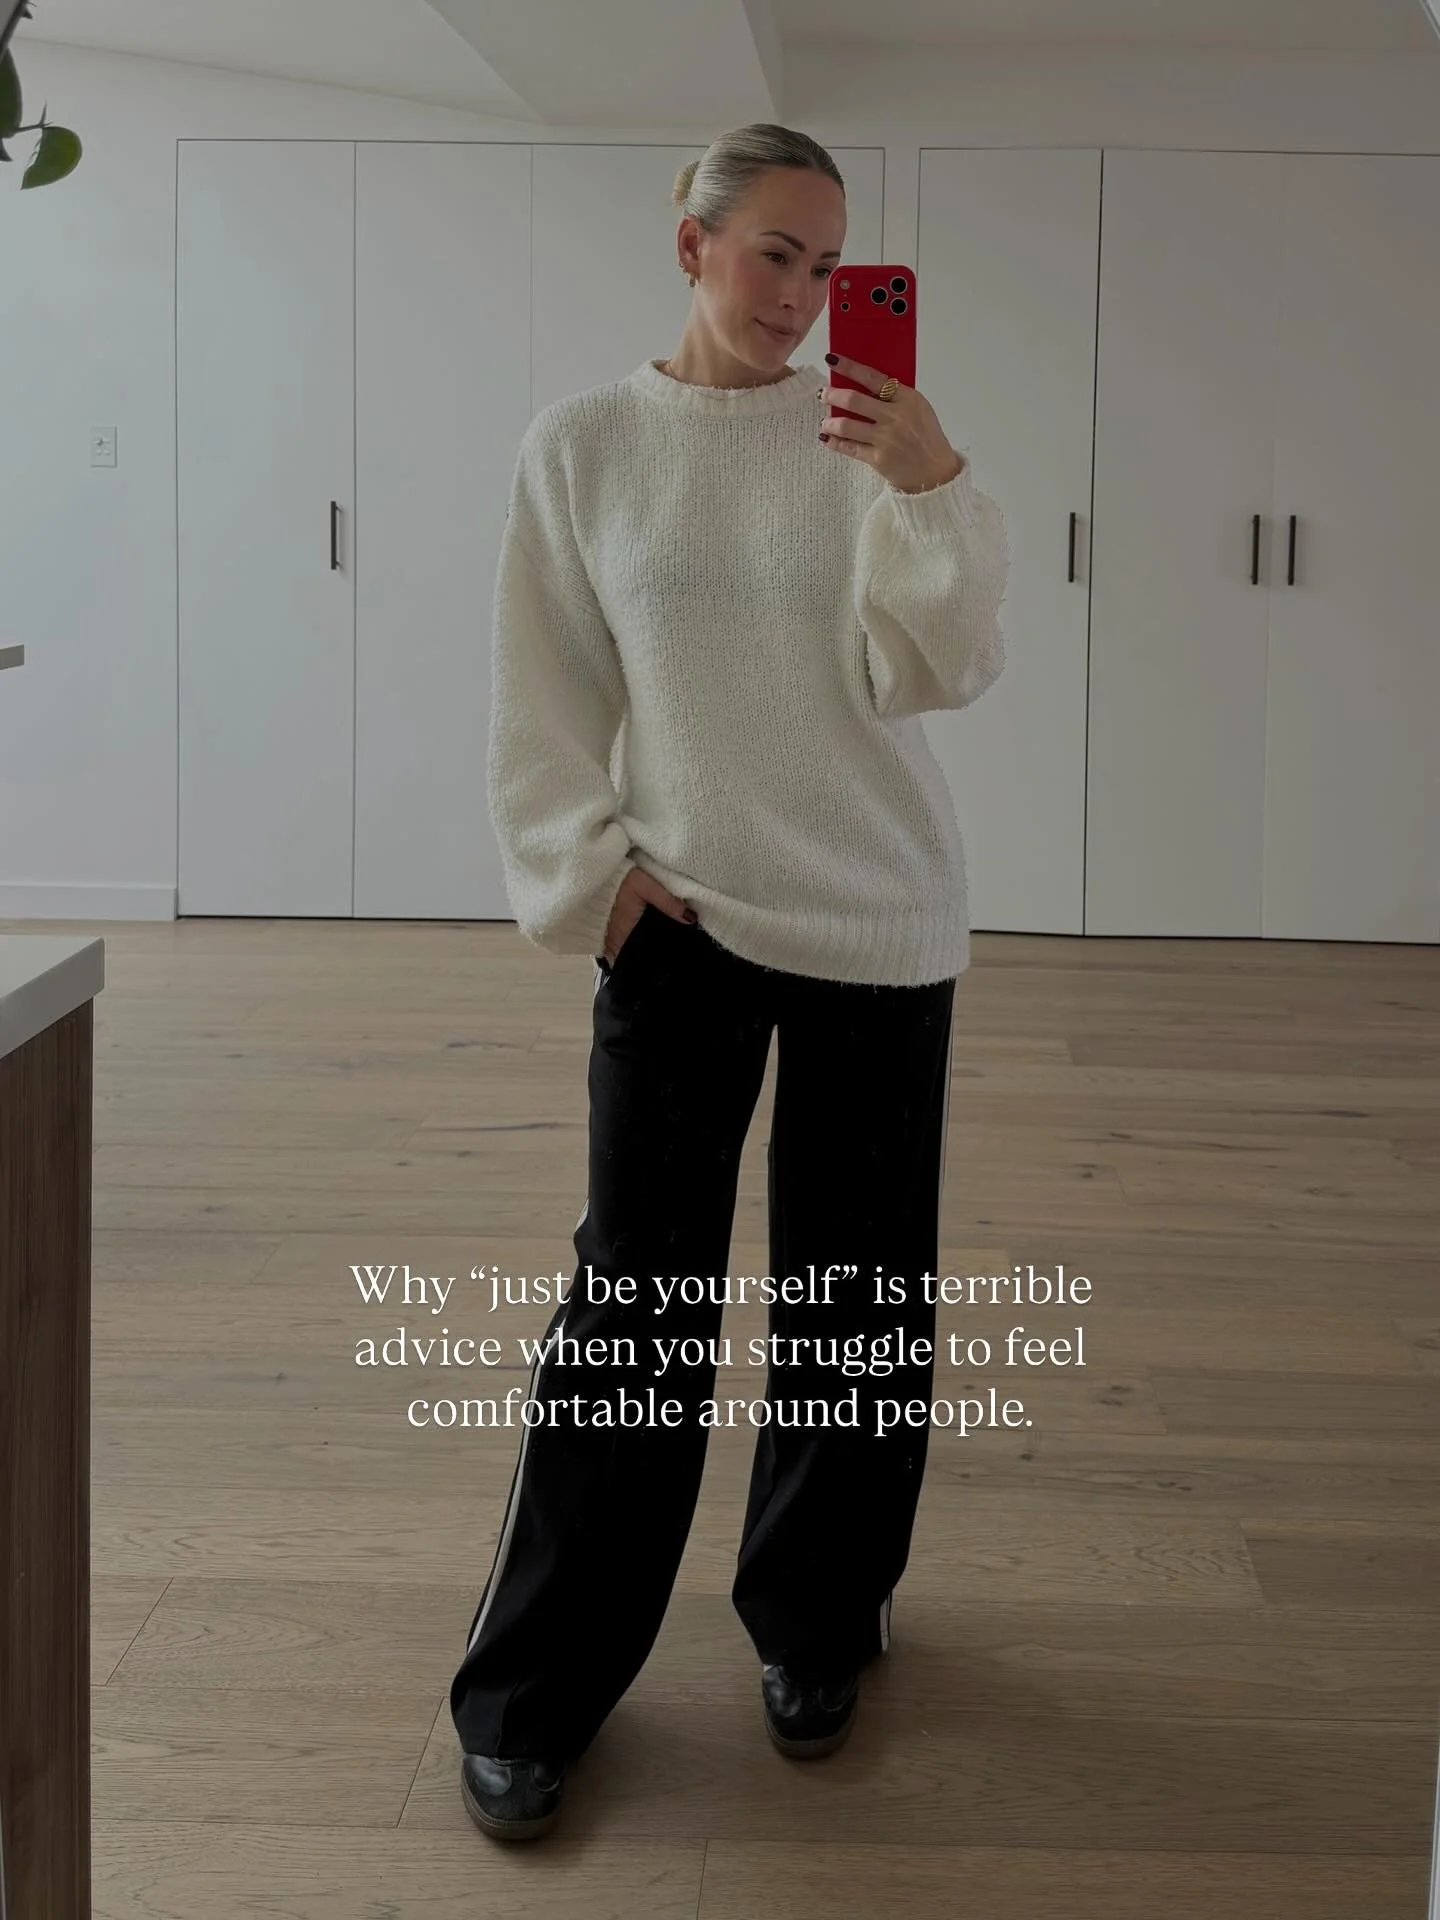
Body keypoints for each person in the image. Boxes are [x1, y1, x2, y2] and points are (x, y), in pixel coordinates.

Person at [450, 121, 1011, 1842]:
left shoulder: (862, 435)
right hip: (680, 922)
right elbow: (541, 692)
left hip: (877, 916)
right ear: (690, 241)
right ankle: (535, 1689)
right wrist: (589, 876)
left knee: (856, 1298)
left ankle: (820, 1620)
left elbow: (937, 669)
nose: (803, 295)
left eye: (830, 266)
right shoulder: (586, 446)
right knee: (636, 1303)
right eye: (777, 252)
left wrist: (931, 486)